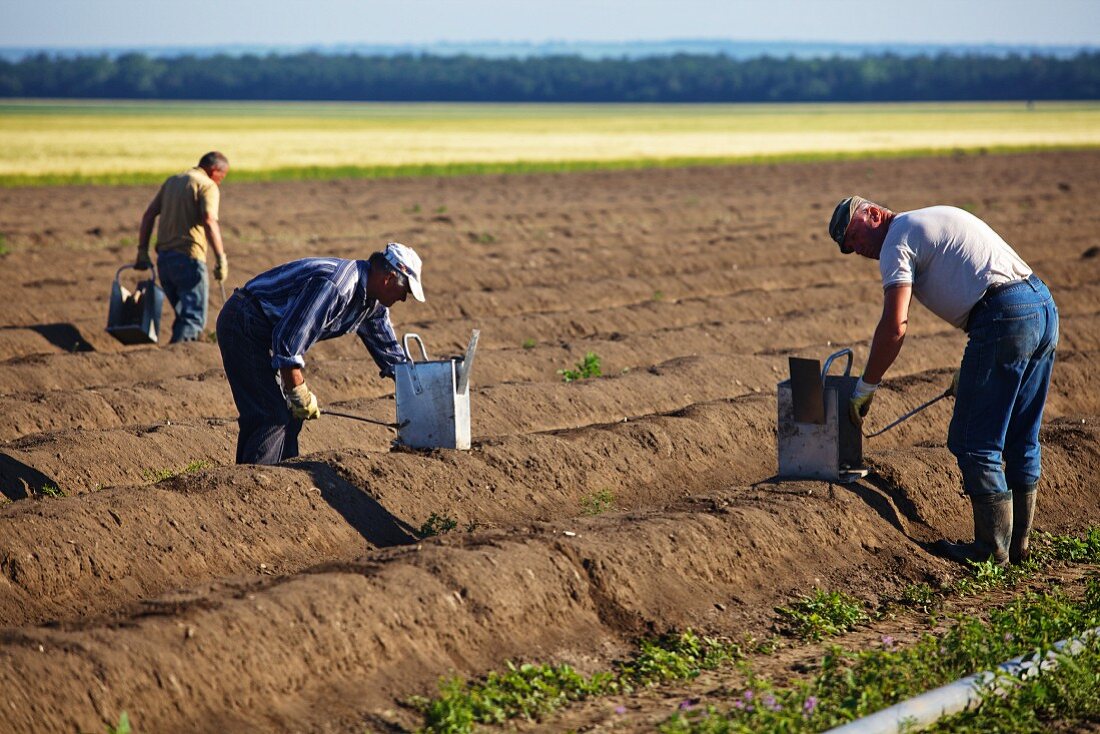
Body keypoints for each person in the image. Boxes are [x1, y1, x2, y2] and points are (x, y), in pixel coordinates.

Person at [828, 196, 1058, 567]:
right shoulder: (928, 219)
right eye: (851, 249)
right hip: (1040, 307)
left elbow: (895, 326)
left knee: (973, 441)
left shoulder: (896, 240)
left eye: (856, 237)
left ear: (873, 214)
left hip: (1004, 318)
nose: (858, 250)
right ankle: (1018, 547)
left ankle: (992, 552)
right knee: (1021, 434)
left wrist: (866, 387)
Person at [216, 242, 424, 465]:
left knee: (290, 416)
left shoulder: (373, 306)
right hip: (244, 320)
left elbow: (390, 354)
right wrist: (298, 392)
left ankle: (280, 481)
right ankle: (255, 484)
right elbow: (287, 342)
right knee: (270, 415)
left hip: (264, 331)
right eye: (406, 291)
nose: (403, 299)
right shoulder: (336, 286)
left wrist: (422, 390)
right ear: (389, 279)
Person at [134, 151, 230, 342]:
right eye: (222, 177)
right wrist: (221, 258)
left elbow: (149, 215)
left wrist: (142, 250)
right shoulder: (207, 185)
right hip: (189, 259)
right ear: (214, 170)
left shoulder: (173, 181)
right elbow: (209, 220)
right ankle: (175, 358)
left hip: (165, 261)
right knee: (193, 319)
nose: (221, 182)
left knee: (183, 317)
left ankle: (175, 355)